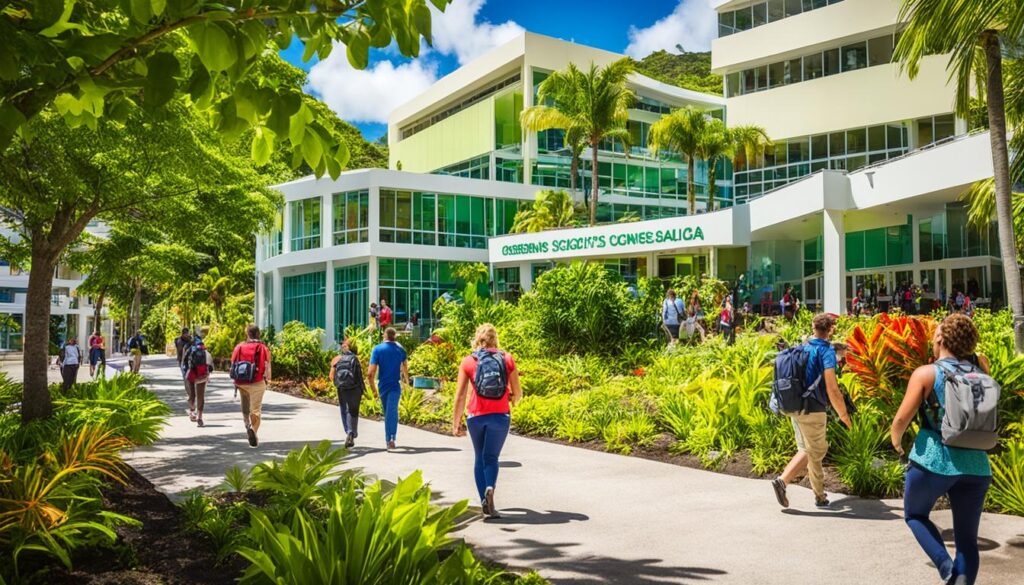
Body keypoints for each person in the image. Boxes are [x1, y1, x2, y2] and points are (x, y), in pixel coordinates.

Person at [891, 314, 992, 585]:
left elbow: (902, 418)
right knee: (967, 541)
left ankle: (946, 567)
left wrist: (896, 439)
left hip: (934, 461)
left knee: (914, 514)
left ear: (938, 338)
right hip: (977, 465)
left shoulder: (926, 373)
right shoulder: (981, 366)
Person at [770, 313, 853, 509]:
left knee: (807, 449)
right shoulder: (826, 352)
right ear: (831, 329)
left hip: (794, 405)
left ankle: (819, 496)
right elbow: (832, 388)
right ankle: (782, 481)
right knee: (815, 449)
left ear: (813, 328)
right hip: (813, 409)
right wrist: (844, 415)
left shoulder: (804, 347)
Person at [451, 323, 522, 519]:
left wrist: (455, 422)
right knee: (491, 458)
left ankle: (484, 498)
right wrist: (510, 399)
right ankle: (490, 487)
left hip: (476, 416)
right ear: (495, 339)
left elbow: (460, 396)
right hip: (500, 416)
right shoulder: (506, 359)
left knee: (479, 456)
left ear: (477, 340)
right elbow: (518, 393)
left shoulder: (468, 361)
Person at [230, 325, 272, 447]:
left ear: (247, 334)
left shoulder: (239, 346)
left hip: (241, 381)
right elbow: (267, 366)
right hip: (257, 382)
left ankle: (246, 425)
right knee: (255, 410)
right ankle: (253, 431)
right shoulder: (263, 348)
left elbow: (233, 363)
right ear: (258, 334)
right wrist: (268, 380)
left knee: (244, 403)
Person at [367, 327, 408, 450]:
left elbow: (370, 373)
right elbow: (405, 367)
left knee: (388, 412)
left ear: (385, 336)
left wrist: (373, 389)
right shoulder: (400, 350)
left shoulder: (377, 349)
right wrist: (407, 381)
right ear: (394, 336)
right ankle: (390, 438)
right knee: (391, 411)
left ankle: (390, 439)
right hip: (395, 385)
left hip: (382, 386)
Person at [330, 337, 366, 448]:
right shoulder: (356, 359)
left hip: (342, 388)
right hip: (355, 388)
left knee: (344, 410)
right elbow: (359, 375)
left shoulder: (336, 359)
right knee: (353, 411)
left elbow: (331, 376)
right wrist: (362, 389)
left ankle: (349, 432)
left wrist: (339, 383)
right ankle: (352, 433)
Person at [182, 330, 213, 427]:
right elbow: (210, 365)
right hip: (202, 375)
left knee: (192, 394)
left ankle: (192, 412)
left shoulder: (189, 348)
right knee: (201, 396)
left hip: (191, 374)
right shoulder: (204, 349)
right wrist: (207, 373)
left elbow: (184, 362)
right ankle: (200, 417)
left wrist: (186, 372)